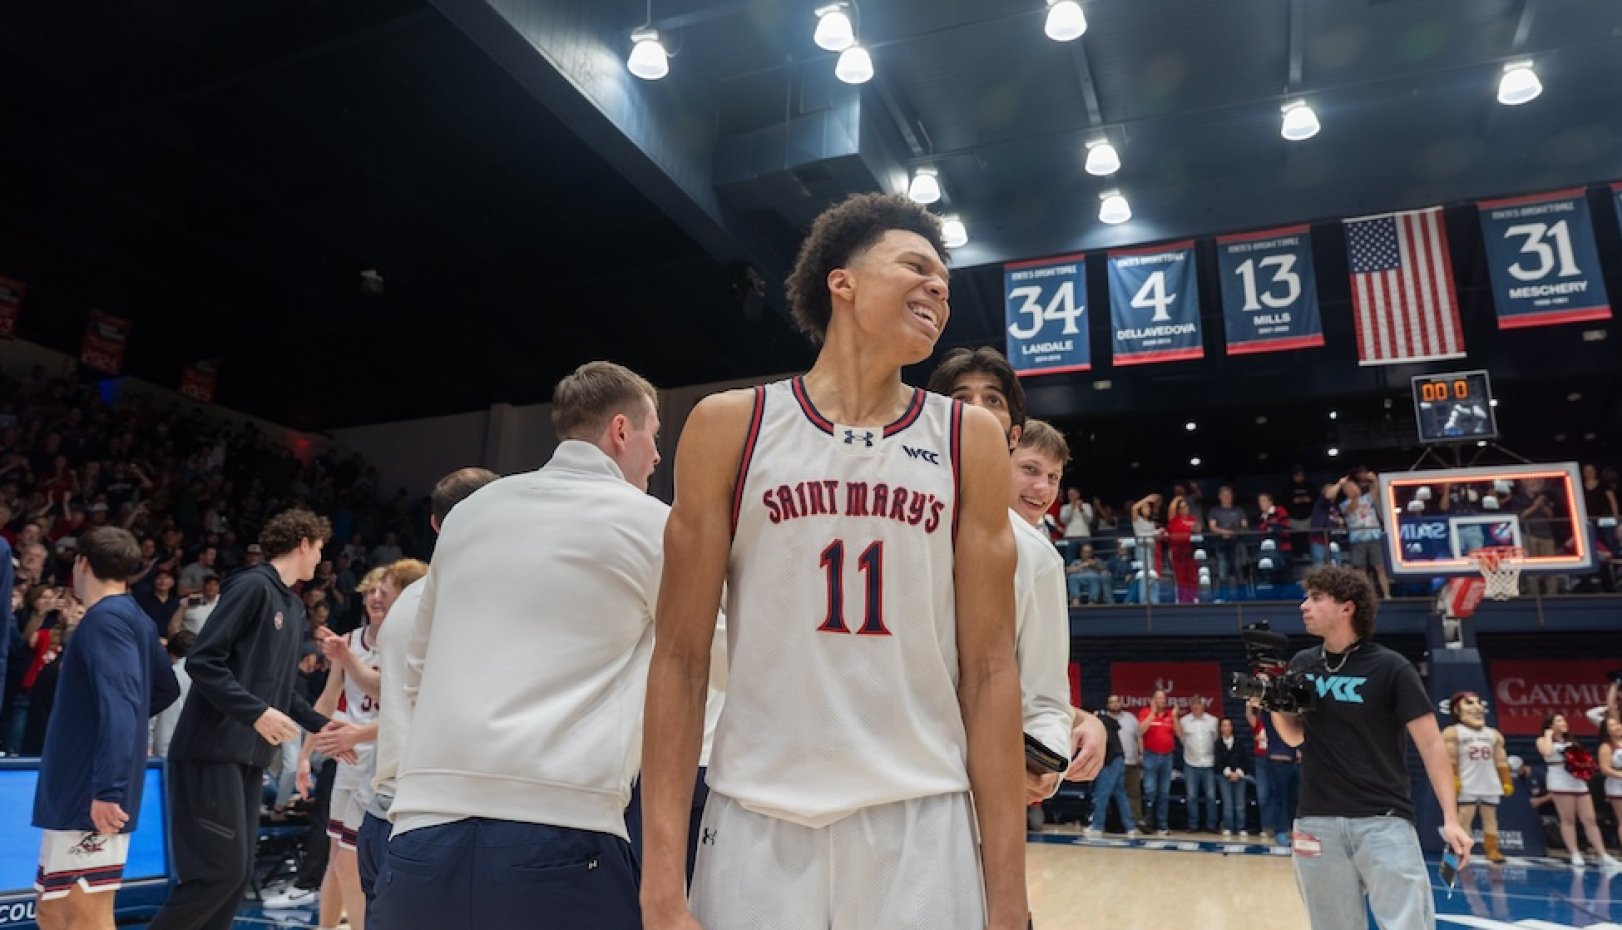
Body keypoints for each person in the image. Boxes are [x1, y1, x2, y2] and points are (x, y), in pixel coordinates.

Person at [640, 193, 1025, 930]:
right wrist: (662, 883)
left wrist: (1008, 896)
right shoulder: (732, 425)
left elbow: (989, 671)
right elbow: (680, 660)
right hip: (756, 816)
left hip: (922, 815)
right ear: (840, 282)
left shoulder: (967, 437)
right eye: (916, 266)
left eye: (945, 279)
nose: (939, 287)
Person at [372, 362, 666, 930]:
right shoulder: (650, 523)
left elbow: (417, 671)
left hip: (421, 831)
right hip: (560, 828)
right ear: (622, 430)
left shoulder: (469, 515)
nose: (657, 456)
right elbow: (708, 665)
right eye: (655, 435)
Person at [926, 349, 1103, 803]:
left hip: (964, 791)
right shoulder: (894, 516)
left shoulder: (1038, 556)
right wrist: (1082, 721)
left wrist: (1062, 740)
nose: (1042, 489)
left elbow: (1036, 693)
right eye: (1029, 470)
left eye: (1053, 478)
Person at [147, 509, 334, 930]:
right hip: (210, 751)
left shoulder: (293, 606)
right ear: (303, 542)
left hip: (247, 758)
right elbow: (204, 660)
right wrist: (257, 713)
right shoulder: (252, 586)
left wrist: (324, 725)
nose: (321, 558)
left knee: (236, 876)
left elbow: (281, 690)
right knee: (217, 873)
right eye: (320, 548)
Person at [1265, 565, 1472, 930]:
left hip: (1384, 822)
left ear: (1347, 608)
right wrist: (1273, 705)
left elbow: (1431, 745)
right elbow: (1296, 737)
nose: (1303, 606)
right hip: (1316, 821)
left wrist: (1451, 819)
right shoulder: (1302, 664)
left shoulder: (1391, 668)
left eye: (1315, 598)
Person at [355, 468, 498, 915]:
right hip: (435, 821)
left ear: (435, 524)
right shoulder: (476, 596)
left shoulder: (411, 600)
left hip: (386, 814)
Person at [32, 527, 178, 929]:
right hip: (84, 782)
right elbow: (163, 690)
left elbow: (125, 702)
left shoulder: (104, 622)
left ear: (82, 564)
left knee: (86, 914)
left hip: (91, 787)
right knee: (52, 908)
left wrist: (109, 786)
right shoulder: (138, 620)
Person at [1536, 712, 1618, 868]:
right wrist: (1548, 735)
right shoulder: (1542, 740)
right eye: (1559, 720)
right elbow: (1546, 752)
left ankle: (1602, 854)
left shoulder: (1571, 741)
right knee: (1568, 819)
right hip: (1559, 780)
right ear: (1550, 725)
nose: (1563, 722)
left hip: (1578, 781)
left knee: (1590, 819)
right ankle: (1574, 852)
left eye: (1563, 720)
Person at [1441, 691, 1514, 864]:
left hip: (1489, 781)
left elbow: (1501, 760)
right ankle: (1457, 850)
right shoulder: (1453, 732)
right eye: (1469, 703)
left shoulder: (1493, 734)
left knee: (1490, 817)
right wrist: (1455, 778)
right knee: (1465, 816)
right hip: (1468, 781)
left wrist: (1506, 780)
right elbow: (1450, 759)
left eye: (1479, 703)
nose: (1477, 707)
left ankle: (1492, 849)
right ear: (1457, 711)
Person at [1139, 689, 1179, 835]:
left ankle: (1162, 825)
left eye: (1164, 698)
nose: (1162, 700)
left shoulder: (1170, 715)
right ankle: (1148, 821)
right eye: (1159, 698)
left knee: (1164, 792)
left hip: (1167, 757)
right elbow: (1140, 731)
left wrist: (1174, 718)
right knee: (1150, 790)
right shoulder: (1145, 712)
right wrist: (1152, 713)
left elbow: (1180, 734)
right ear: (1153, 700)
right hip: (1151, 756)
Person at [1177, 694, 1219, 833]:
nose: (1196, 707)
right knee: (1191, 796)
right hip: (1191, 763)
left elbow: (1216, 740)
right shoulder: (1184, 721)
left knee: (1211, 796)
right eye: (1193, 704)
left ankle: (1211, 825)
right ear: (1191, 706)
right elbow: (1181, 738)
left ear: (1203, 705)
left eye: (1198, 704)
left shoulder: (1213, 721)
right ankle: (1193, 825)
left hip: (1208, 763)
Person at [1106, 694, 1143, 830]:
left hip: (1131, 761)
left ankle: (1136, 822)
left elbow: (1138, 737)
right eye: (1112, 702)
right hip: (1112, 763)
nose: (1115, 704)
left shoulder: (1130, 718)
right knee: (1111, 794)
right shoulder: (1104, 720)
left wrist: (1141, 754)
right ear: (1108, 705)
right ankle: (1115, 824)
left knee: (1134, 794)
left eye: (1117, 702)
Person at [1214, 717, 1249, 837]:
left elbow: (1245, 760)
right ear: (1220, 728)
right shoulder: (1218, 744)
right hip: (1224, 776)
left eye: (1228, 725)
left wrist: (1238, 773)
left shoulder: (1239, 743)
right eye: (1224, 725)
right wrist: (1228, 773)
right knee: (1228, 803)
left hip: (1240, 776)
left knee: (1240, 804)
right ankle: (1228, 826)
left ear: (1232, 728)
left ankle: (1241, 827)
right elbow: (1218, 761)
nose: (1226, 728)